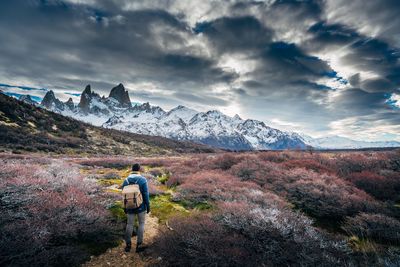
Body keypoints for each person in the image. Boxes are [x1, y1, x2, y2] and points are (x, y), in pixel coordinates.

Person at [121, 163, 150, 253]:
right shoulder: (142, 179)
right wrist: (148, 206)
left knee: (129, 224)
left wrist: (124, 207)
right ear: (139, 169)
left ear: (131, 169)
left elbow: (123, 195)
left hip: (129, 206)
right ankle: (139, 245)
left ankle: (128, 245)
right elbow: (145, 194)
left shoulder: (126, 180)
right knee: (141, 224)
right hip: (140, 206)